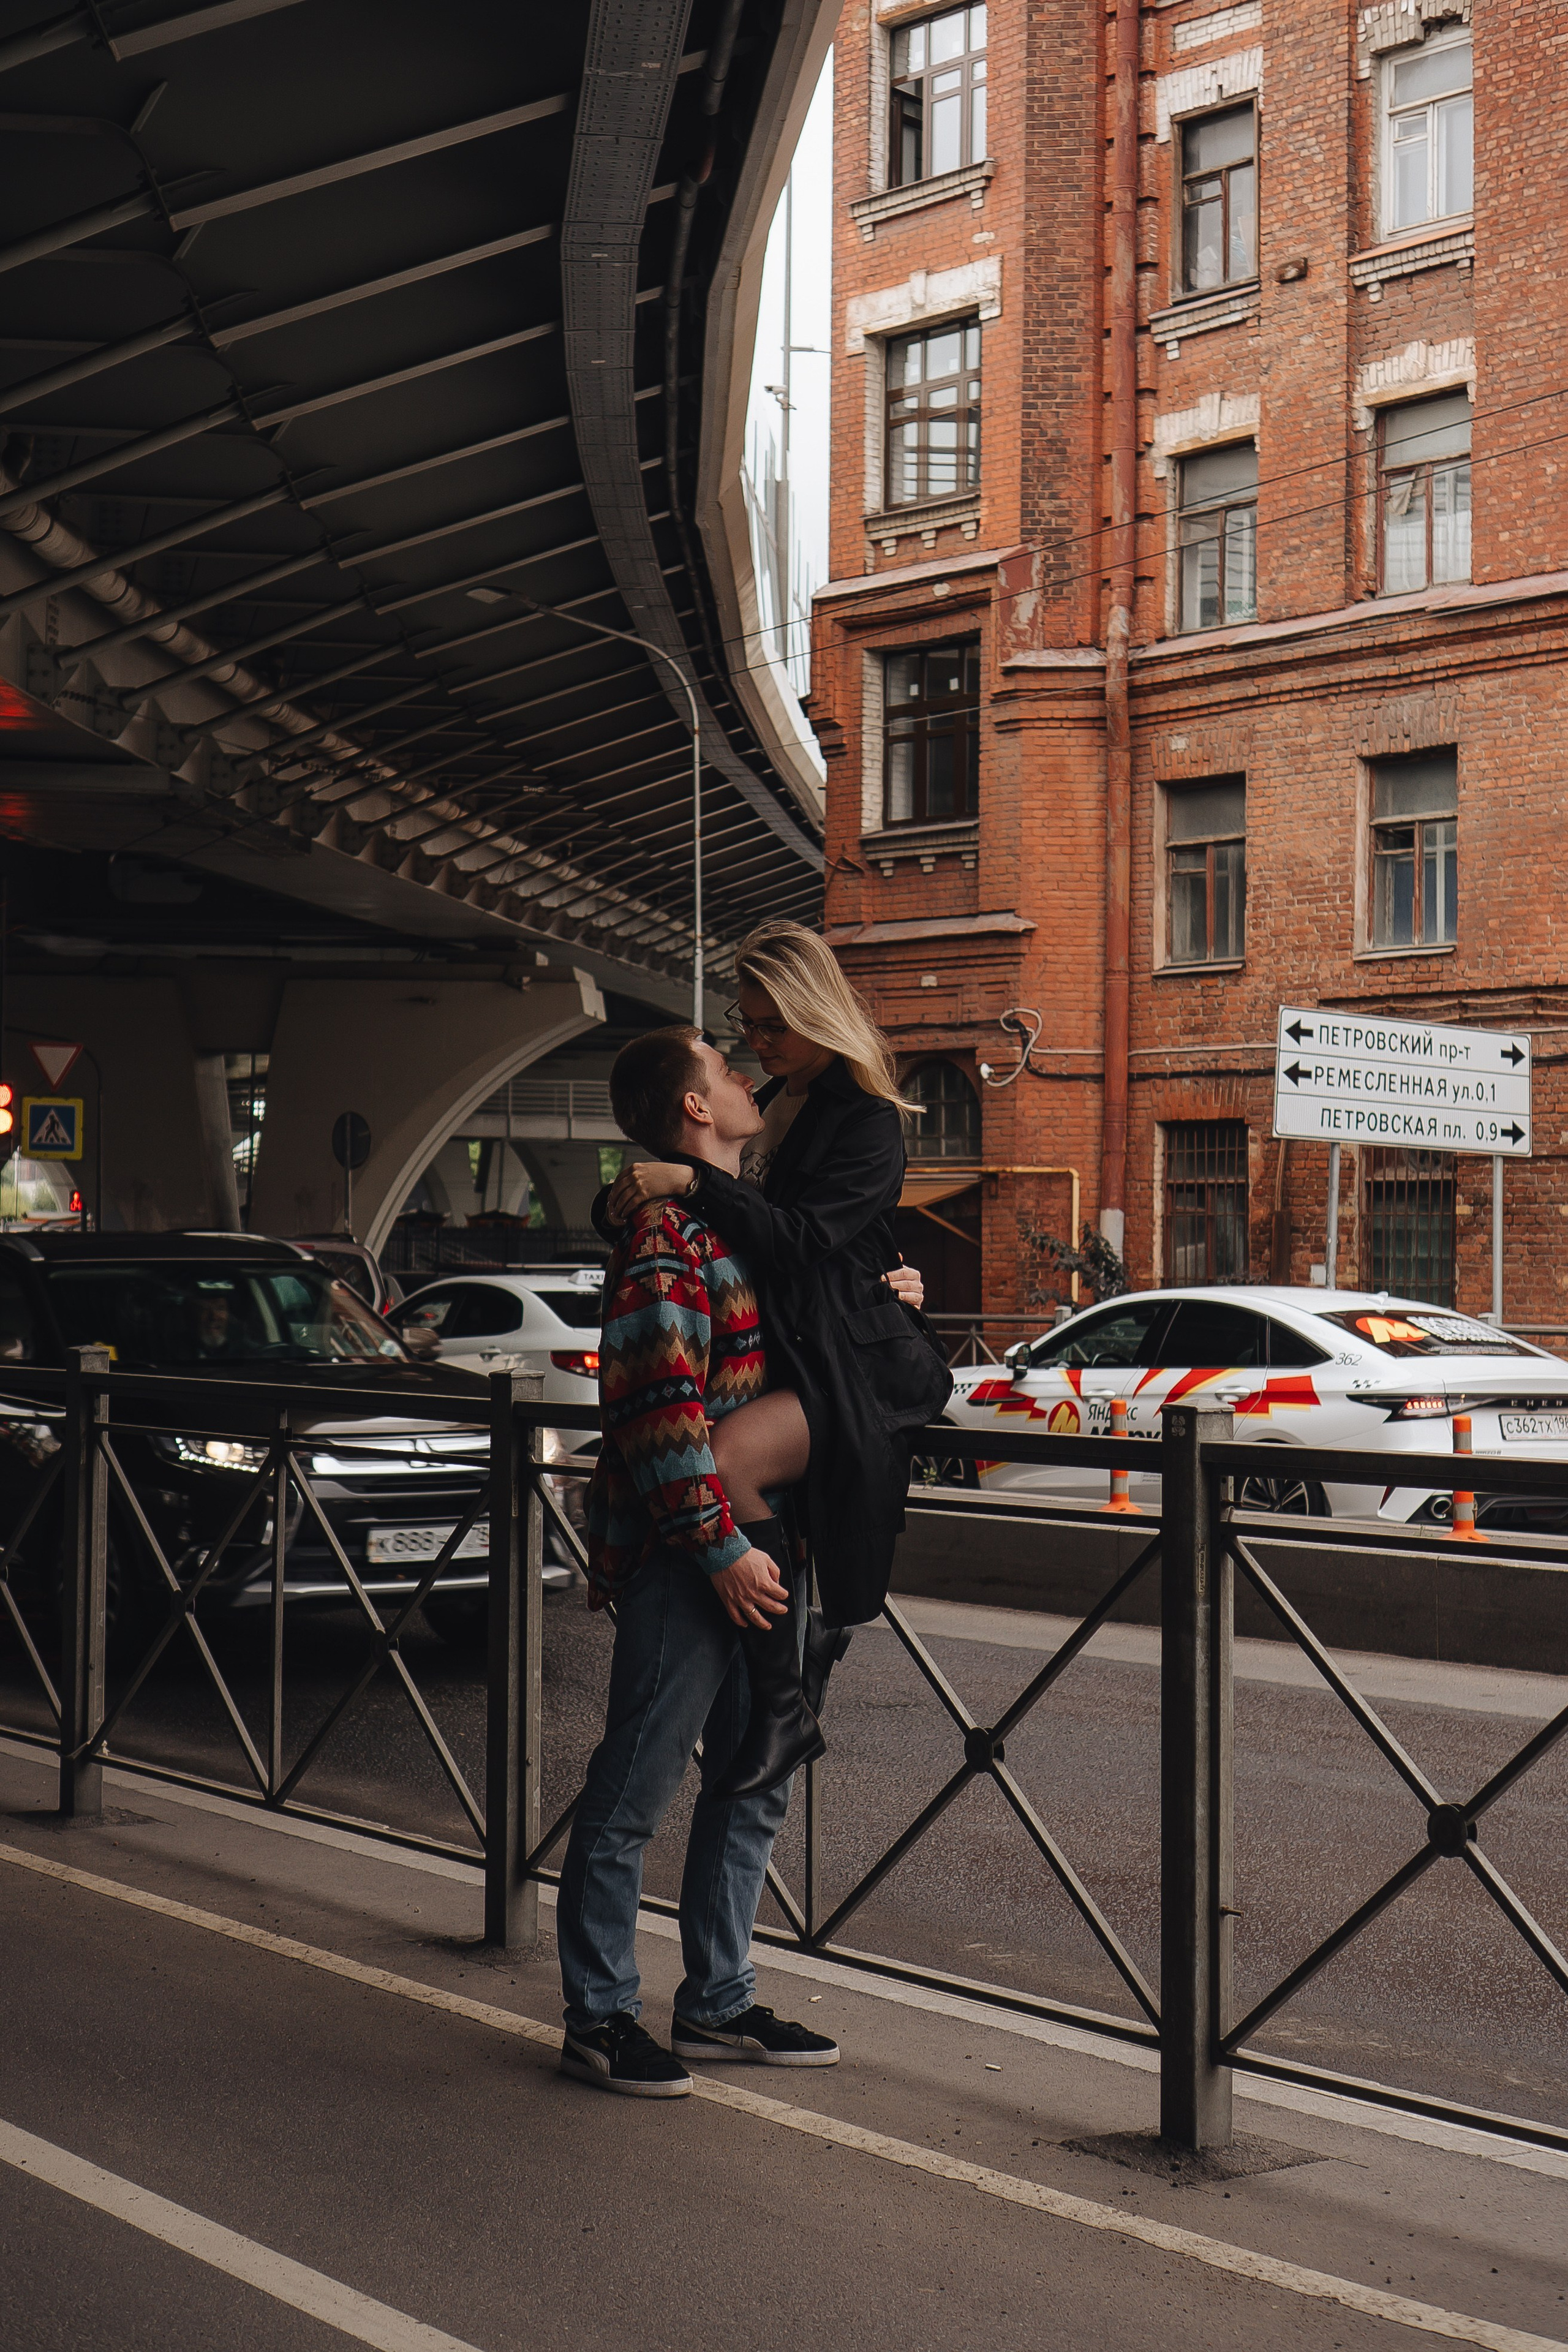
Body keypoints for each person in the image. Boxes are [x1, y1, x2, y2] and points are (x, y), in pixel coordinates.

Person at [557, 1024, 840, 2098]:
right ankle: (599, 2016)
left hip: (772, 1539)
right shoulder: (664, 1238)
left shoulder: (737, 1222)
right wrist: (718, 1548)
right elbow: (655, 1409)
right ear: (692, 1109)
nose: (744, 1077)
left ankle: (718, 2001)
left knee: (751, 1778)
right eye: (724, 1069)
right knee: (634, 1787)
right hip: (700, 1555)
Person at [604, 920, 952, 1659]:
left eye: (772, 1026)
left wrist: (689, 1181)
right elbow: (697, 1191)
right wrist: (634, 1200)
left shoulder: (866, 1119)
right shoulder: (766, 1102)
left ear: (814, 1011)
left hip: (845, 1364)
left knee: (730, 1462)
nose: (756, 1044)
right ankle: (783, 1697)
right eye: (747, 1024)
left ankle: (786, 1692)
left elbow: (802, 1238)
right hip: (784, 1353)